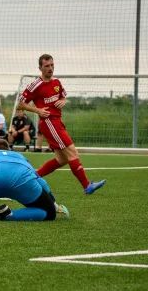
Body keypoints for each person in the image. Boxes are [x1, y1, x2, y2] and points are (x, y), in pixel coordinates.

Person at [17, 54, 106, 194]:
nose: (50, 68)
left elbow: (63, 97)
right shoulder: (35, 85)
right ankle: (87, 186)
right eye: (47, 66)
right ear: (40, 68)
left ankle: (32, 177)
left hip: (57, 122)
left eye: (52, 65)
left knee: (62, 159)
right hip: (49, 123)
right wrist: (38, 110)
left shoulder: (56, 82)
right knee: (72, 152)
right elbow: (20, 104)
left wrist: (63, 101)